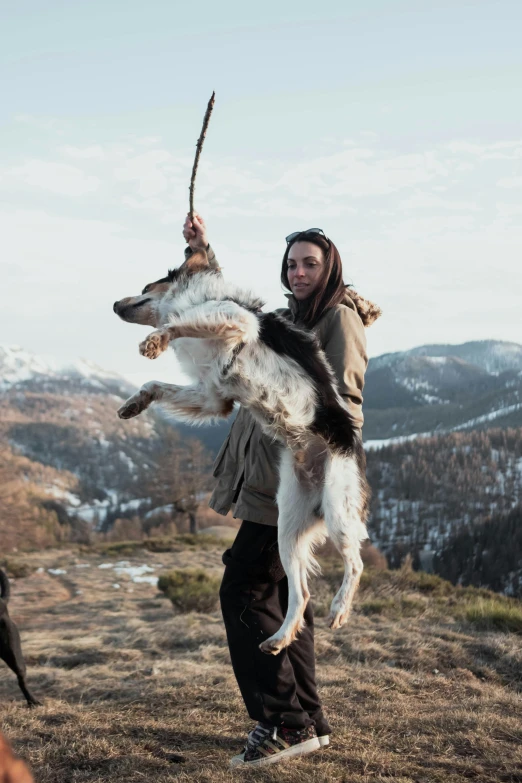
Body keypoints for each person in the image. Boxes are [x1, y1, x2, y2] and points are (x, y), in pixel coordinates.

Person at [182, 213, 381, 768]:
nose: (298, 272)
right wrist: (203, 249)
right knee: (283, 596)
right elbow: (231, 308)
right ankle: (308, 719)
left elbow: (343, 404)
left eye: (309, 264)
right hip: (274, 478)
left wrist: (314, 475)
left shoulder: (338, 319)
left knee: (244, 590)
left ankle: (284, 724)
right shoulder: (290, 318)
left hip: (296, 480)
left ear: (330, 266)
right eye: (292, 264)